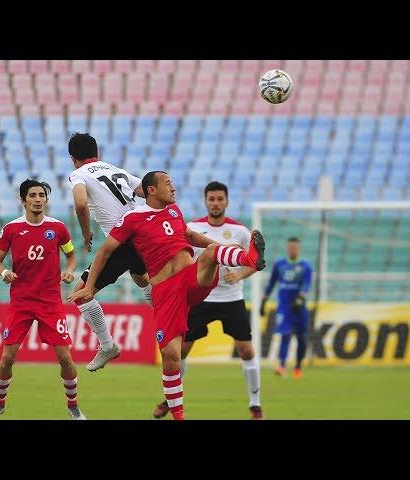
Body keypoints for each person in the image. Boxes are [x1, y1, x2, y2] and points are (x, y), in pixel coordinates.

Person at [69, 171, 266, 420]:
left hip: (191, 280)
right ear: (152, 190)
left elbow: (190, 236)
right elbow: (105, 253)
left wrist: (224, 249)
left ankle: (249, 258)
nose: (173, 188)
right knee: (171, 357)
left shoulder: (175, 211)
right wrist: (90, 286)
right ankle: (178, 416)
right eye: (168, 183)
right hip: (165, 292)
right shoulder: (133, 219)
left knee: (213, 252)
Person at [153, 181, 264, 420]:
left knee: (246, 350)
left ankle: (255, 404)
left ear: (226, 202)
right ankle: (170, 399)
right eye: (211, 199)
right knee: (180, 351)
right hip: (201, 298)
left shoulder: (240, 231)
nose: (216, 203)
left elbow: (254, 263)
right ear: (206, 201)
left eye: (220, 199)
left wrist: (241, 274)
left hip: (232, 298)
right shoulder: (193, 227)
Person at [0, 179, 86, 420]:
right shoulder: (11, 229)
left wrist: (70, 270)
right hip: (21, 301)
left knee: (65, 357)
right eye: (33, 195)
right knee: (8, 357)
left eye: (42, 195)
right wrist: (5, 272)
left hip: (50, 301)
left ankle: (73, 405)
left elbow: (71, 257)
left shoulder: (58, 228)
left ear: (46, 200)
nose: (38, 199)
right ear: (23, 200)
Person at [67, 132, 152, 372]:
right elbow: (147, 191)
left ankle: (107, 345)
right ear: (97, 153)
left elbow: (81, 203)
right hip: (143, 232)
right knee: (141, 277)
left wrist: (85, 232)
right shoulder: (116, 170)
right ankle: (169, 321)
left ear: (73, 159)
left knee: (82, 294)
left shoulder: (78, 174)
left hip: (123, 239)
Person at [260, 237, 313, 379]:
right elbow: (271, 283)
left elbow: (307, 284)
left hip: (299, 307)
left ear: (299, 249)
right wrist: (264, 300)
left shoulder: (306, 266)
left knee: (302, 338)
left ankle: (298, 366)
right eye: (290, 247)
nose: (292, 250)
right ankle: (282, 366)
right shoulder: (280, 264)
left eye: (295, 247)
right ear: (287, 248)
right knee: (285, 334)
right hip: (284, 306)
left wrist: (301, 298)